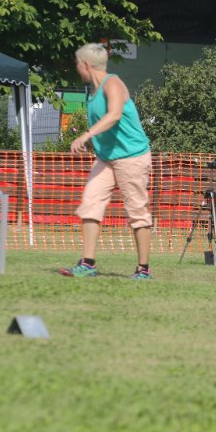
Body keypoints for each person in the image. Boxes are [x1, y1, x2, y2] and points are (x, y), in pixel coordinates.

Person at [59, 43, 153, 279]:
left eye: (77, 64)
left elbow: (114, 115)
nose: (76, 68)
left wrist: (86, 135)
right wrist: (93, 142)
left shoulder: (113, 83)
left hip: (132, 156)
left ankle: (143, 269)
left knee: (137, 210)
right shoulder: (92, 93)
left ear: (86, 64)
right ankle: (87, 264)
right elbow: (108, 127)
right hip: (106, 158)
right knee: (90, 203)